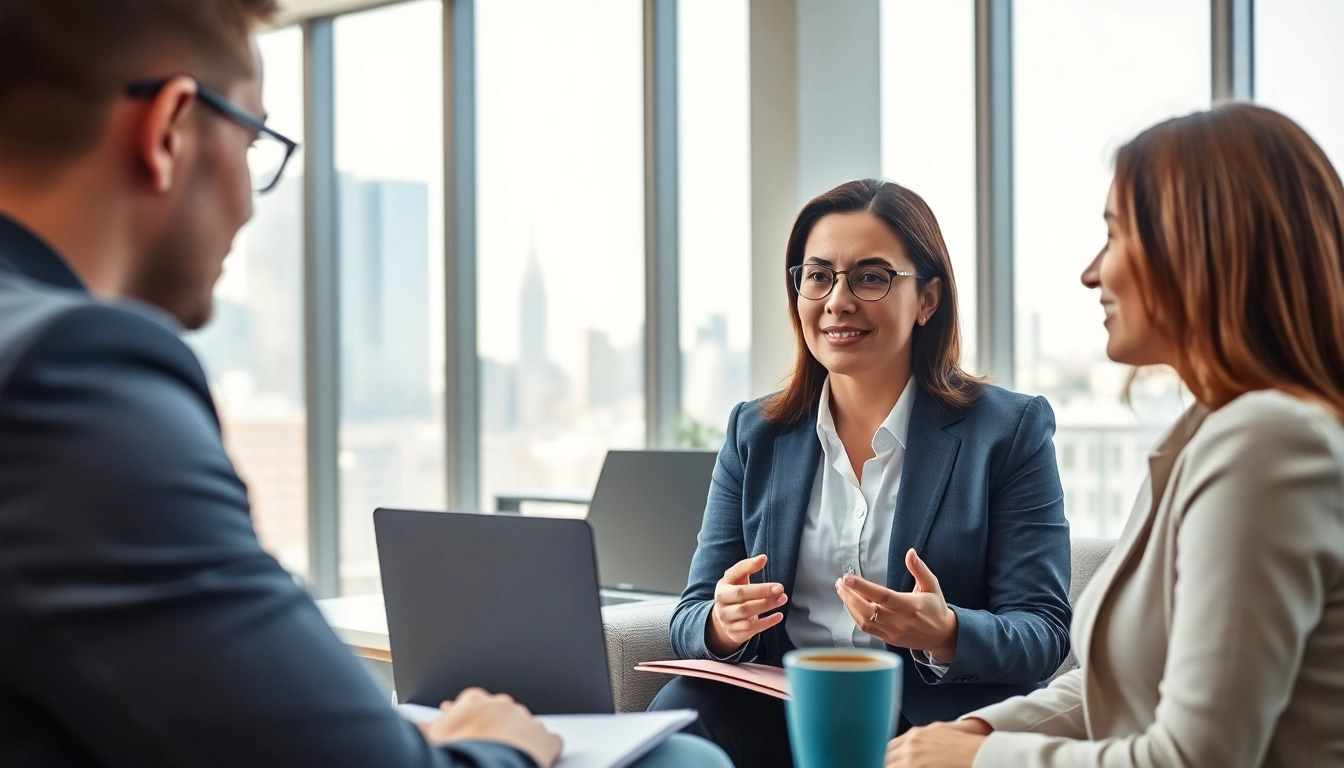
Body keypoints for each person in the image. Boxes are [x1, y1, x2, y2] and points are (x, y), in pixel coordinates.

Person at [0, 2, 731, 767]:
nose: (251, 204)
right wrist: (499, 747)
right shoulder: (70, 374)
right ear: (170, 131)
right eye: (255, 144)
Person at [886, 103, 1344, 768]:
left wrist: (979, 762)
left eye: (1116, 236)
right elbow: (1123, 686)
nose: (1092, 272)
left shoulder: (1266, 444)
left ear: (1200, 247)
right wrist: (981, 732)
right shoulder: (1207, 435)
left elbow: (1196, 758)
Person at [650, 178, 1074, 767]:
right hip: (784, 710)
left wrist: (945, 631)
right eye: (818, 276)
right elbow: (692, 614)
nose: (838, 301)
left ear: (927, 299)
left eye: (871, 277)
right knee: (680, 718)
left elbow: (1044, 630)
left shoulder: (1008, 430)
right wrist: (724, 623)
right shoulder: (757, 432)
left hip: (928, 718)